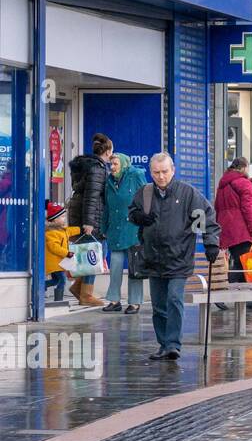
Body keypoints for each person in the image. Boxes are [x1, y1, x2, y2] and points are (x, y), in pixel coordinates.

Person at [129, 153, 222, 361]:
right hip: (153, 257)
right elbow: (132, 213)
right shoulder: (145, 192)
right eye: (156, 173)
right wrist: (139, 217)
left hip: (179, 257)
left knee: (174, 299)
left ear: (173, 170)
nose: (161, 177)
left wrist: (211, 243)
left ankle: (173, 344)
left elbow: (206, 218)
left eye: (164, 172)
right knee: (159, 305)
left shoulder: (188, 193)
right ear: (151, 172)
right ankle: (164, 344)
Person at [66, 133, 113, 306]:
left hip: (80, 216)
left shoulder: (85, 166)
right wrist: (89, 223)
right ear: (107, 151)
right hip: (90, 219)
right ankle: (86, 294)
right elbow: (92, 197)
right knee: (94, 254)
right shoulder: (98, 169)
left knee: (88, 253)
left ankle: (79, 288)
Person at [102, 153, 147, 314]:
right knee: (115, 266)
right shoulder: (109, 182)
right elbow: (106, 207)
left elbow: (146, 199)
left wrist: (145, 222)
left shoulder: (135, 176)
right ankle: (114, 300)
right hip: (115, 229)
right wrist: (104, 228)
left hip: (134, 229)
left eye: (115, 164)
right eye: (111, 164)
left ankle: (135, 302)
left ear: (124, 164)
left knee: (135, 269)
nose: (112, 167)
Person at [215, 157, 252, 286]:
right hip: (241, 230)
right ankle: (220, 286)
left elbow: (217, 207)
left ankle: (246, 298)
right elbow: (248, 209)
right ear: (243, 168)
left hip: (226, 229)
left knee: (239, 261)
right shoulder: (244, 183)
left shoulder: (222, 184)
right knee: (245, 265)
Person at [44, 202, 76, 304]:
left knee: (55, 281)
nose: (64, 219)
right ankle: (58, 300)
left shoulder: (62, 230)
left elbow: (71, 231)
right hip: (55, 263)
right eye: (62, 216)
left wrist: (82, 229)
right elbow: (54, 247)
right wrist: (67, 253)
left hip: (59, 263)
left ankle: (41, 285)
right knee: (62, 280)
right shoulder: (51, 232)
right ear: (55, 219)